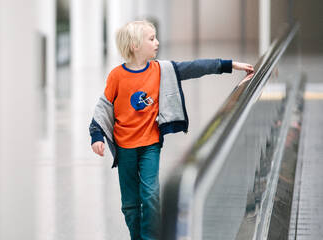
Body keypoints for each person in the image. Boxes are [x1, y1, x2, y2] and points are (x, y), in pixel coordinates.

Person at [88, 20, 254, 240]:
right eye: (151, 38)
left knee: (150, 196)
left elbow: (195, 67)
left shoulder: (161, 70)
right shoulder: (117, 76)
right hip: (125, 147)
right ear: (135, 45)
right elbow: (104, 107)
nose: (157, 42)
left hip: (150, 145)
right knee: (129, 204)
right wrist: (96, 136)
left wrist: (229, 65)